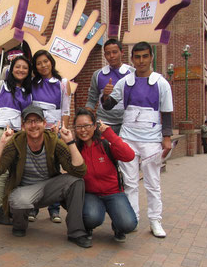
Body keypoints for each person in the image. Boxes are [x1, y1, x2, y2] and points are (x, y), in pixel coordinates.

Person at [0, 105, 91, 248]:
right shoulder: (16, 142)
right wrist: (2, 143)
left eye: (37, 121)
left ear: (44, 124)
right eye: (29, 121)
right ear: (23, 126)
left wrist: (70, 142)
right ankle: (20, 224)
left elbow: (79, 171)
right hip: (24, 192)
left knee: (76, 181)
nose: (33, 125)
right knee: (18, 200)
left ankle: (76, 232)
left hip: (48, 189)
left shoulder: (53, 141)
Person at [102, 41, 173, 238]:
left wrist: (166, 138)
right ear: (132, 59)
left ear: (151, 58)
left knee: (153, 182)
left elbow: (167, 113)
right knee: (130, 182)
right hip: (128, 137)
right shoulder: (124, 82)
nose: (141, 61)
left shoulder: (161, 83)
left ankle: (155, 220)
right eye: (137, 57)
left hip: (151, 139)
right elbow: (108, 106)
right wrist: (104, 96)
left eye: (145, 56)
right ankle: (132, 218)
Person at [0, 55, 33, 224]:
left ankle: (6, 208)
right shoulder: (1, 85)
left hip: (16, 136)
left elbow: (25, 118)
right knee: (1, 173)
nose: (21, 70)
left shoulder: (27, 93)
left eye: (25, 67)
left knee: (14, 172)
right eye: (18, 66)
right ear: (11, 68)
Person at [74, 108, 137, 244]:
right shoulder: (76, 148)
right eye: (79, 127)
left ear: (95, 126)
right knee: (91, 217)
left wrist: (110, 135)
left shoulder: (105, 143)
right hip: (91, 194)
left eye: (87, 126)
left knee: (128, 224)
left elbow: (129, 156)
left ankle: (118, 226)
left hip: (113, 193)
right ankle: (88, 226)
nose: (83, 130)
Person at [30, 49, 73, 223]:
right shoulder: (32, 83)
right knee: (33, 168)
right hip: (35, 131)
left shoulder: (63, 83)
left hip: (54, 133)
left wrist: (63, 130)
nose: (43, 65)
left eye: (45, 61)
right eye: (39, 63)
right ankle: (33, 207)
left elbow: (66, 110)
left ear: (51, 62)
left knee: (53, 168)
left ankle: (54, 209)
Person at [86, 39, 134, 135]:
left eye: (115, 52)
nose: (111, 56)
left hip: (126, 124)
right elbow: (92, 99)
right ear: (104, 56)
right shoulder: (98, 74)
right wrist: (86, 117)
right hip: (103, 123)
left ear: (122, 52)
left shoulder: (132, 73)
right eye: (108, 53)